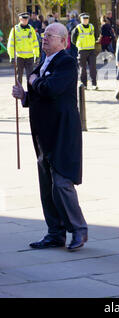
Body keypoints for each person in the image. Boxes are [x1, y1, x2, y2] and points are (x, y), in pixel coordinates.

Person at [12, 22, 88, 250]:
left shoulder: (66, 62)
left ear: (63, 41)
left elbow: (51, 89)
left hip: (62, 131)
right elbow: (39, 95)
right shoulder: (42, 62)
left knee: (62, 182)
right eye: (44, 35)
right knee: (46, 183)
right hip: (43, 134)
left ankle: (78, 230)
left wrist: (34, 82)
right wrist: (24, 96)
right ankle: (55, 232)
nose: (44, 38)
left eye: (50, 36)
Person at [7, 12, 40, 83]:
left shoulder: (31, 29)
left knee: (30, 77)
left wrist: (36, 55)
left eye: (26, 19)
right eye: (23, 19)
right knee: (19, 77)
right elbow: (11, 44)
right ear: (20, 19)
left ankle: (30, 93)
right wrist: (12, 56)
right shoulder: (15, 30)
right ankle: (19, 92)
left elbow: (35, 43)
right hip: (19, 57)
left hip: (30, 57)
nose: (25, 21)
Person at [71, 12, 98, 90]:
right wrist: (78, 45)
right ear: (81, 20)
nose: (86, 20)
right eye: (84, 19)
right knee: (83, 69)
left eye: (87, 19)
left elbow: (95, 35)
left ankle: (94, 84)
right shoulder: (78, 28)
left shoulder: (92, 27)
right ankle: (84, 84)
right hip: (82, 50)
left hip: (91, 50)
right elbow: (73, 39)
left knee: (93, 68)